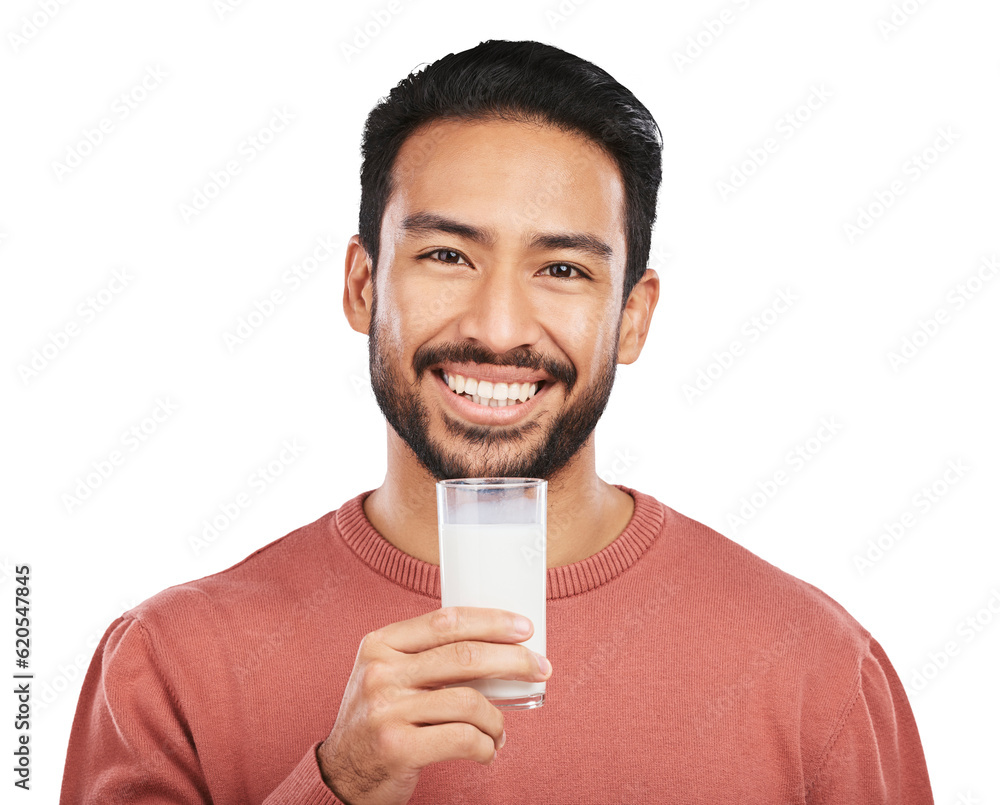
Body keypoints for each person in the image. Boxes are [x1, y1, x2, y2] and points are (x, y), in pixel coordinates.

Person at [61, 40, 934, 804]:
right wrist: (341, 784)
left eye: (562, 269)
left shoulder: (821, 671)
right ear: (362, 285)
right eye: (447, 255)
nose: (499, 327)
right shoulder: (166, 666)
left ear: (633, 317)